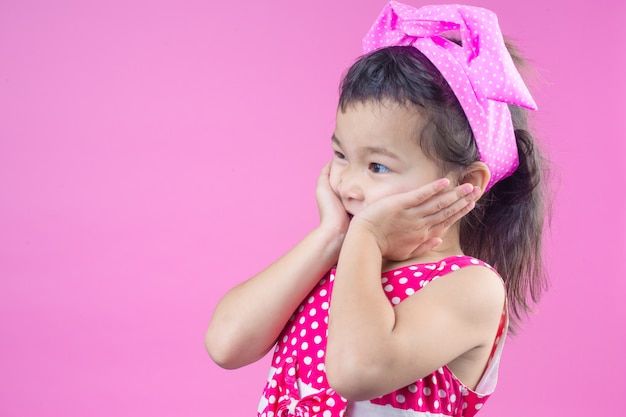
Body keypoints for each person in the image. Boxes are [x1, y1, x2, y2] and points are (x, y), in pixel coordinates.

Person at [205, 2, 548, 416]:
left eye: (377, 166)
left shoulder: (472, 287)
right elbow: (226, 344)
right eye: (341, 155)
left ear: (466, 184)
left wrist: (364, 236)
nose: (348, 184)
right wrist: (331, 236)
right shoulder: (336, 260)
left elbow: (356, 370)